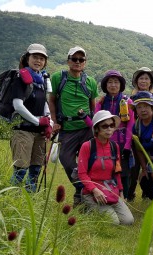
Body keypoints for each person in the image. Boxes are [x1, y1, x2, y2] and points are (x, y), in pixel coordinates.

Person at [48, 46, 99, 207]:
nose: (78, 62)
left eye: (81, 60)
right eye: (74, 59)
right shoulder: (58, 78)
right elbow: (52, 100)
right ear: (68, 60)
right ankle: (83, 189)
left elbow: (93, 106)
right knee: (67, 161)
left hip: (86, 129)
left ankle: (82, 196)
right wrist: (54, 121)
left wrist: (94, 126)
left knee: (89, 163)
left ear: (85, 62)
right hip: (67, 128)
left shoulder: (90, 81)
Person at [78, 110, 134, 225]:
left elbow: (117, 172)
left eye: (112, 125)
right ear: (97, 129)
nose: (109, 129)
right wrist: (95, 190)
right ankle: (88, 209)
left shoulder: (115, 146)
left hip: (111, 189)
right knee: (113, 222)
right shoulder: (87, 146)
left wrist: (121, 192)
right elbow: (82, 174)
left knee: (128, 221)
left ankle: (101, 210)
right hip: (92, 191)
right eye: (105, 126)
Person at [10, 43, 53, 192]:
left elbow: (45, 103)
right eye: (35, 57)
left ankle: (31, 199)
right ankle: (12, 199)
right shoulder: (20, 78)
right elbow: (17, 105)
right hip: (23, 129)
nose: (38, 61)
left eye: (42, 58)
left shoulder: (42, 80)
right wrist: (38, 120)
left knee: (36, 168)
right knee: (21, 169)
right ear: (27, 58)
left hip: (39, 131)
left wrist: (49, 121)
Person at [95, 70, 135, 199]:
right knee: (106, 170)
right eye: (110, 82)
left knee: (124, 172)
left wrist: (128, 146)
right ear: (105, 85)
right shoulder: (101, 103)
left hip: (122, 143)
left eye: (116, 82)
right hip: (104, 142)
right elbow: (95, 122)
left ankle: (125, 199)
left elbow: (130, 125)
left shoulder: (127, 102)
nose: (113, 85)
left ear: (121, 85)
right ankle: (109, 197)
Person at [128, 67, 153, 201]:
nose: (143, 81)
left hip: (152, 138)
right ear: (136, 81)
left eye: (146, 78)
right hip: (135, 137)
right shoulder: (131, 99)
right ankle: (129, 194)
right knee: (134, 167)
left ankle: (147, 193)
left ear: (151, 82)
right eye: (141, 78)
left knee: (151, 164)